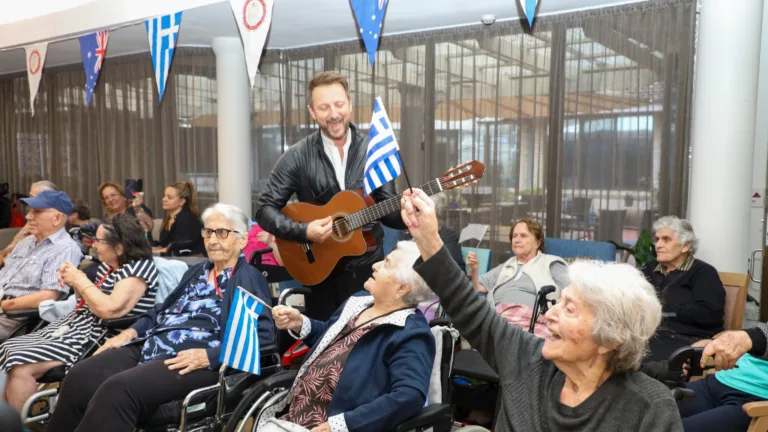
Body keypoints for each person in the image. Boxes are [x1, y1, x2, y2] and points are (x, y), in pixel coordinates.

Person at [398, 188, 682, 431]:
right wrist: (428, 237)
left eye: (569, 309)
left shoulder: (650, 408)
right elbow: (470, 307)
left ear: (611, 337)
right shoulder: (527, 358)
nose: (549, 314)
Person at [45, 203, 275, 432]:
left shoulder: (248, 279)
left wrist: (210, 356)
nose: (213, 240)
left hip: (192, 360)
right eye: (208, 232)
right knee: (80, 376)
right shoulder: (197, 272)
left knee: (118, 390)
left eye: (222, 232)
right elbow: (160, 311)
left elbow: (262, 338)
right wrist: (130, 332)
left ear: (242, 240)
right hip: (153, 344)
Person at [255, 71, 405, 321]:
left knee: (367, 340)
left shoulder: (374, 150)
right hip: (320, 273)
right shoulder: (297, 156)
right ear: (312, 112)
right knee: (324, 342)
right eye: (324, 107)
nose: (334, 114)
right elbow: (264, 210)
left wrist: (408, 214)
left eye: (339, 104)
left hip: (368, 272)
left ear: (350, 104)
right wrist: (304, 231)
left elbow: (386, 209)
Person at [258, 241, 436, 432]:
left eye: (386, 264)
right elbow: (331, 337)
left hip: (329, 423)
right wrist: (299, 322)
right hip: (293, 413)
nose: (375, 265)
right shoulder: (359, 301)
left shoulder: (411, 333)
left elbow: (409, 396)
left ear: (402, 288)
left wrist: (342, 425)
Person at [0, 214, 158, 411]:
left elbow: (109, 309)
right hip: (75, 325)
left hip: (98, 335)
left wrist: (79, 279)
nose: (94, 246)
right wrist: (73, 281)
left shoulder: (138, 271)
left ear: (119, 247)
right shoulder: (110, 266)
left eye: (99, 241)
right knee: (8, 347)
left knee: (20, 364)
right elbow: (87, 300)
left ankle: (18, 422)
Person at [0, 190, 83, 340]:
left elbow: (49, 296)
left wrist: (6, 304)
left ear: (57, 218)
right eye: (30, 211)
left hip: (12, 316)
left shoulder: (65, 249)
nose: (28, 216)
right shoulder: (27, 241)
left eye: (36, 212)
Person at [642, 216, 725, 361]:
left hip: (686, 338)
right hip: (650, 335)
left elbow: (710, 313)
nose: (658, 245)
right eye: (657, 239)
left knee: (642, 358)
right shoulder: (649, 269)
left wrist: (663, 308)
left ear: (686, 245)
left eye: (666, 239)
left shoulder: (703, 273)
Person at [676, 324, 768, 431]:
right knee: (659, 411)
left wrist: (749, 338)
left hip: (755, 400)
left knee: (672, 428)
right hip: (721, 379)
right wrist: (717, 342)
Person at [467, 218, 568, 308]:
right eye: (514, 236)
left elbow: (572, 289)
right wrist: (473, 269)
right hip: (497, 316)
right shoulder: (506, 266)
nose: (517, 240)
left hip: (530, 318)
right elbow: (477, 288)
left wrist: (560, 306)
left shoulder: (550, 263)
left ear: (537, 243)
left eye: (523, 236)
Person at [399, 192, 463, 271]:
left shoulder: (448, 236)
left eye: (418, 209)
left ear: (434, 212)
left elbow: (454, 271)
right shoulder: (407, 235)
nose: (413, 213)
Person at [0, 180, 57, 265]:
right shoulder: (32, 216)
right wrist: (4, 253)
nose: (28, 216)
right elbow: (18, 240)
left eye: (33, 197)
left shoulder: (54, 221)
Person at [153, 180, 204, 256]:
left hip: (191, 260)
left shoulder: (187, 219)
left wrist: (150, 253)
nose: (164, 199)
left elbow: (177, 248)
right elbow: (164, 245)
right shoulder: (168, 219)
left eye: (169, 197)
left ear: (181, 201)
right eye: (164, 196)